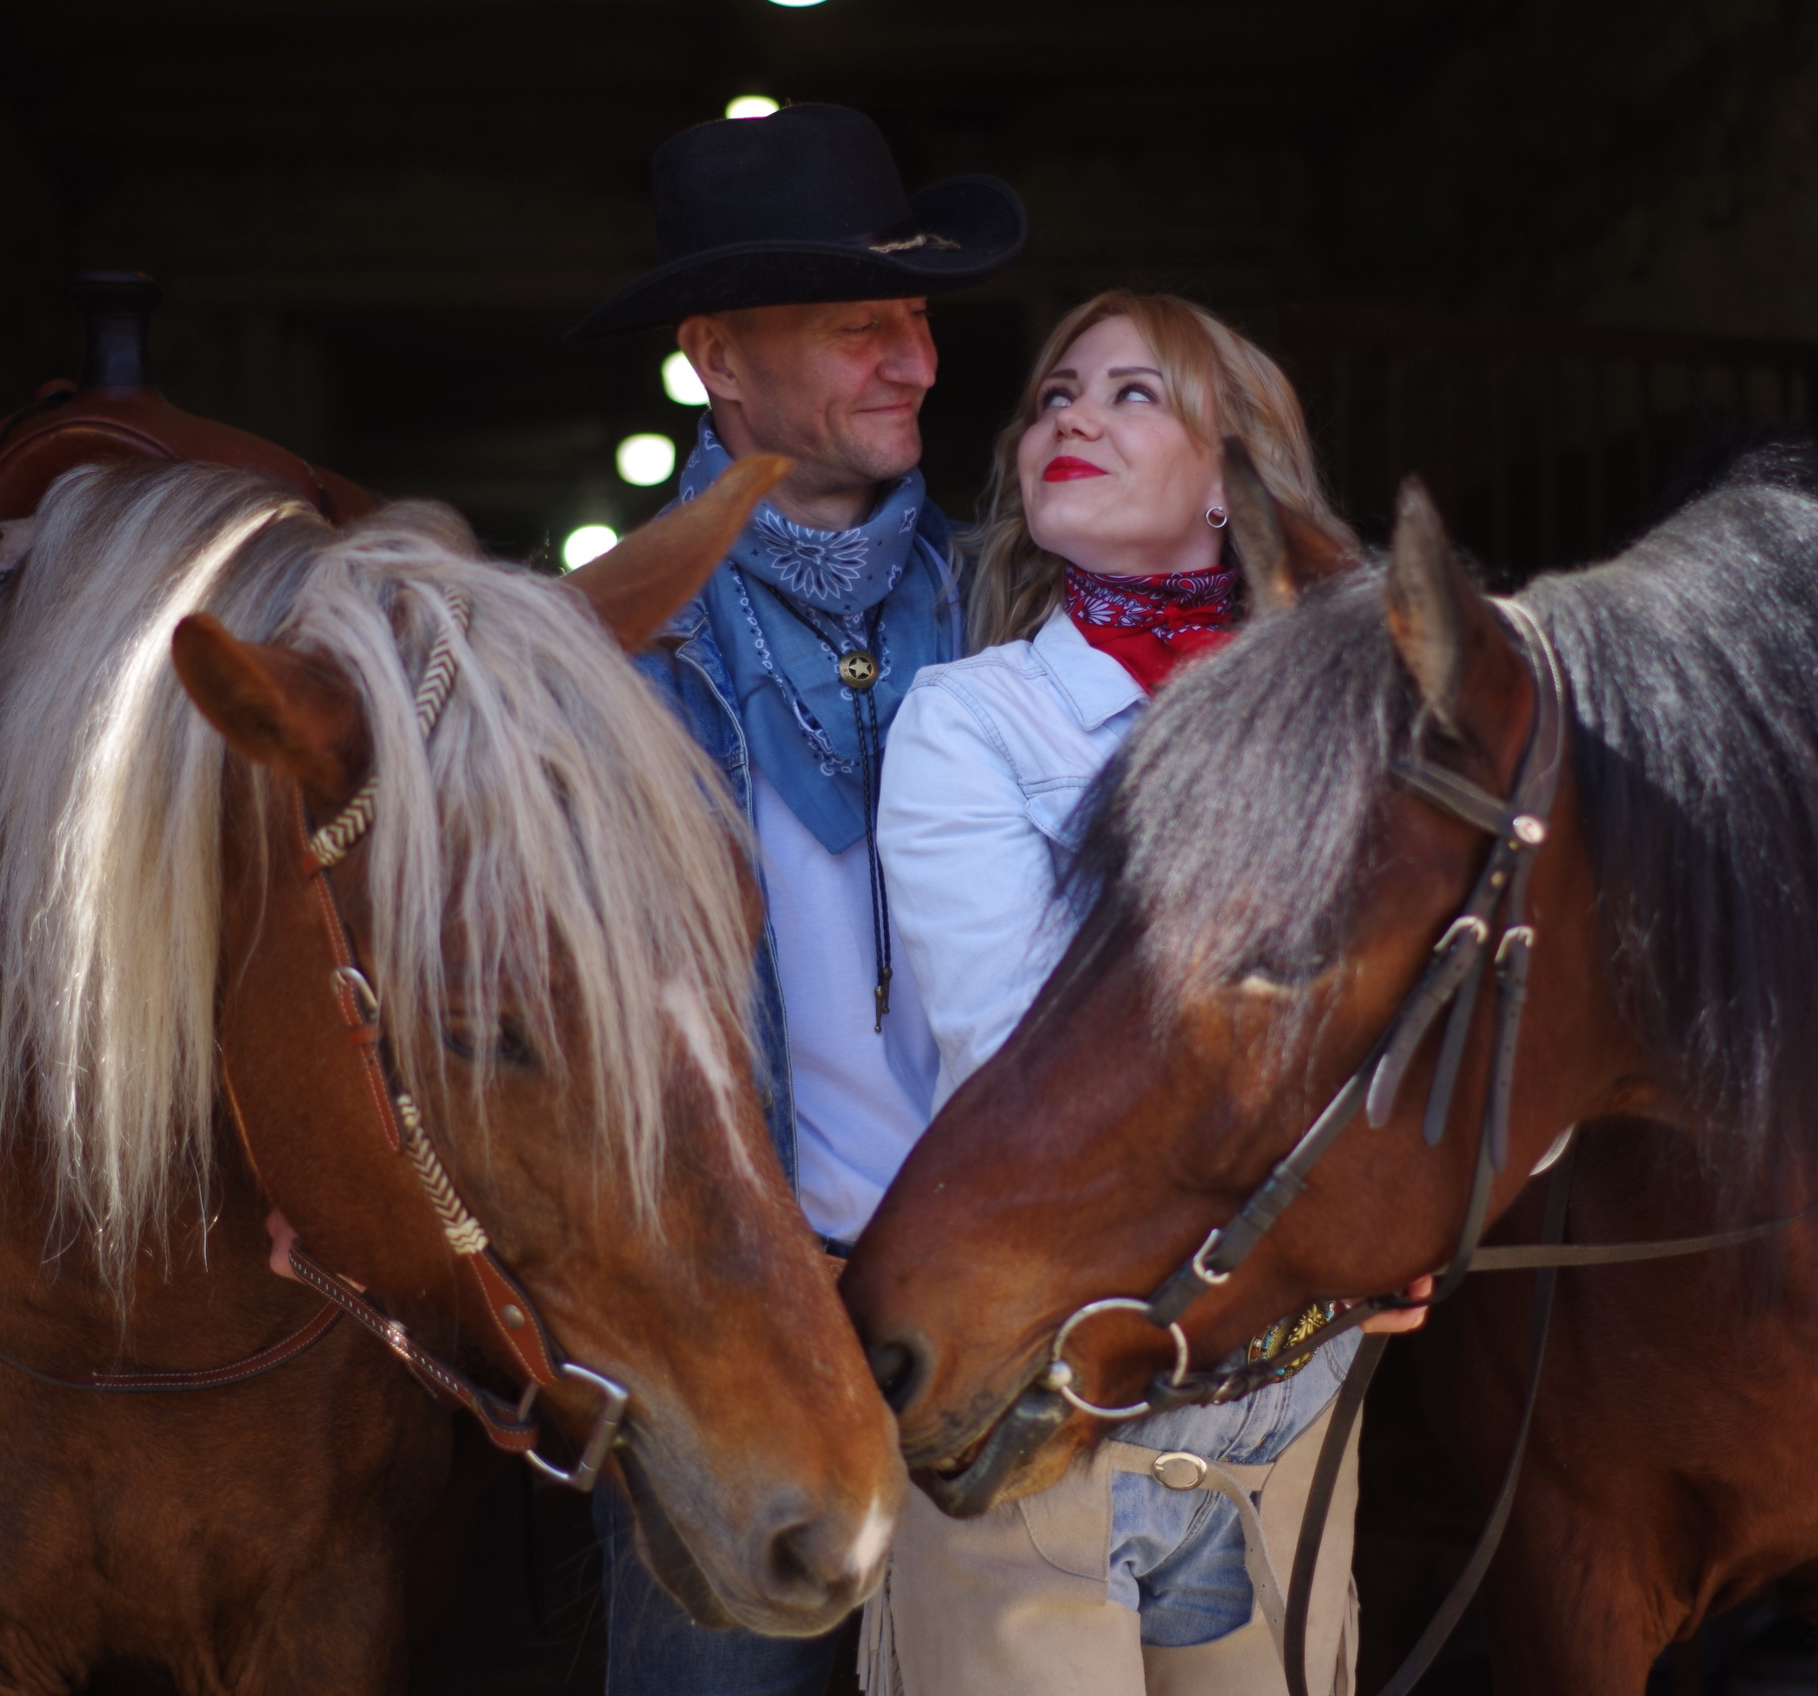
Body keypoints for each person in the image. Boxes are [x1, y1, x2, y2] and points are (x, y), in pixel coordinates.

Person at [868, 292, 1426, 1696]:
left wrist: (1393, 1201)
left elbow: (1422, 1015)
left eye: (1132, 395)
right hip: (1037, 1374)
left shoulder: (1358, 729)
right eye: (1057, 394)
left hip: (1281, 1382)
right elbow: (1011, 1056)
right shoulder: (973, 719)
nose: (1070, 418)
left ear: (1235, 480)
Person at [565, 103, 1025, 1696]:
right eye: (859, 328)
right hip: (730, 1339)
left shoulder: (1015, 618)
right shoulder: (591, 667)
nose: (915, 359)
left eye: (914, 319)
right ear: (717, 360)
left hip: (995, 1323)